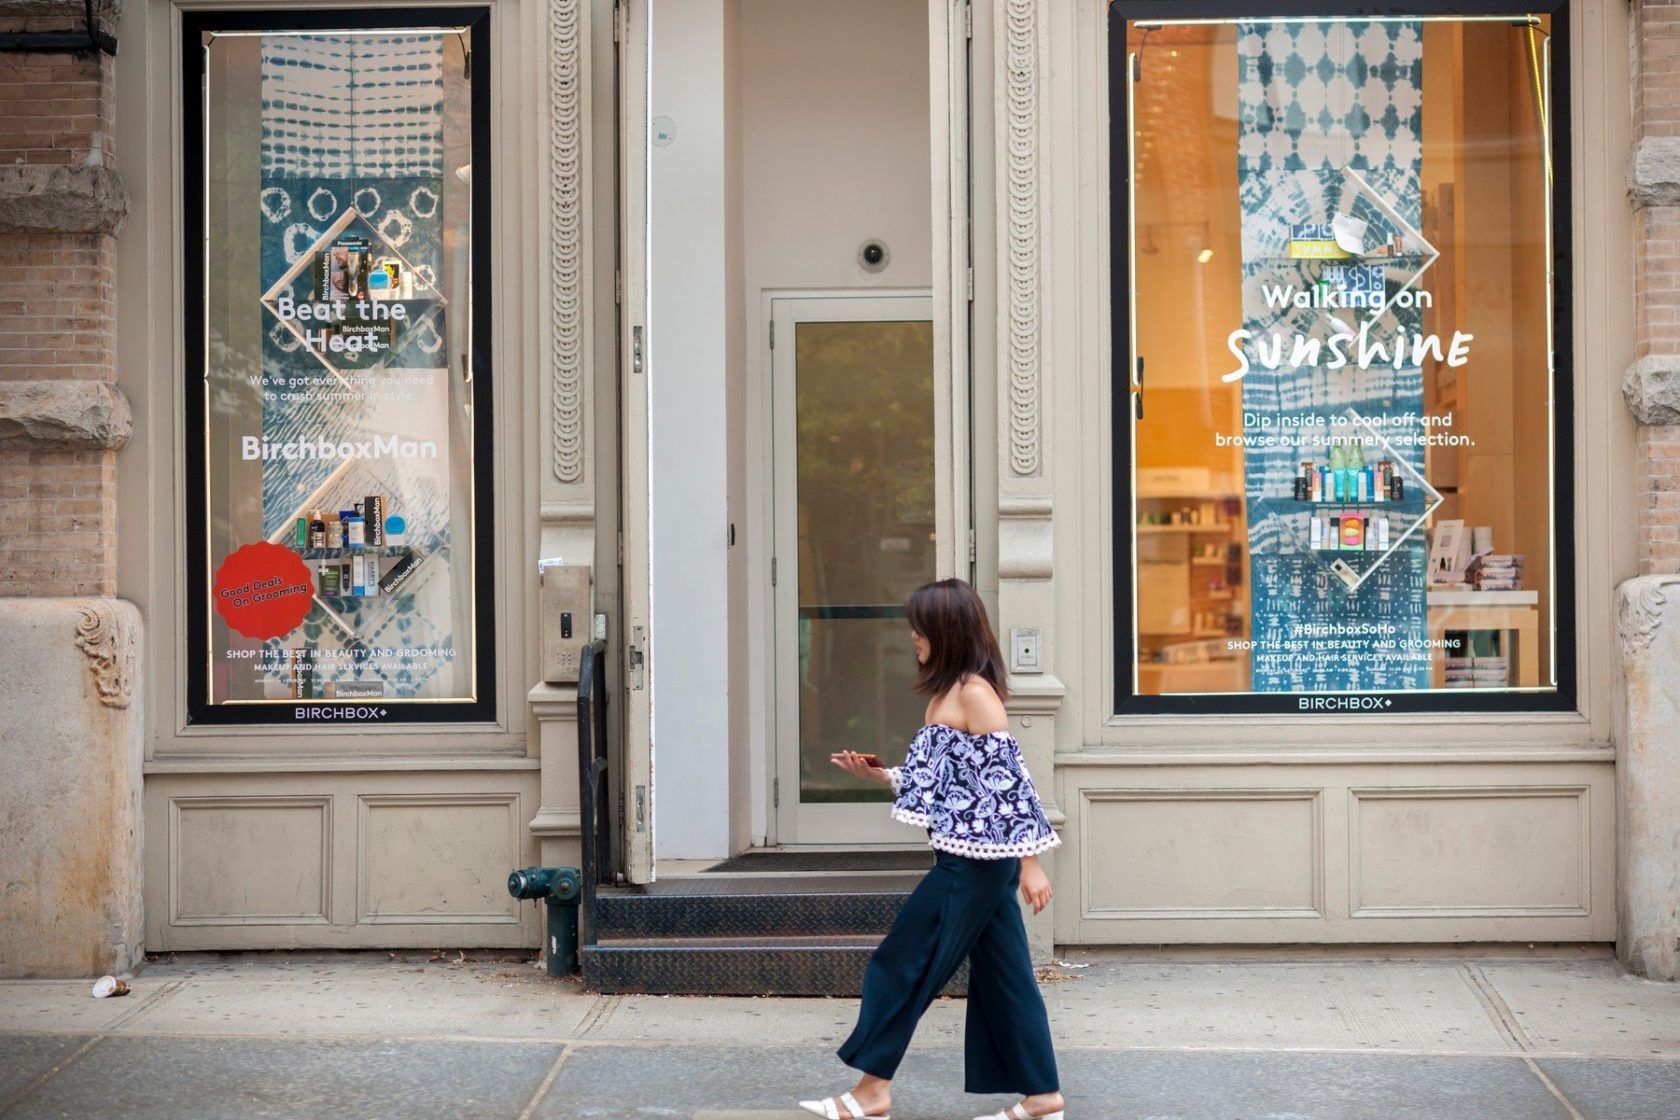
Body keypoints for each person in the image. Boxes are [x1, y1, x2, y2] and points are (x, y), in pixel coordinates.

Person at [798, 577, 1066, 1120]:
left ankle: (872, 1093)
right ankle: (1043, 1098)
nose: (913, 637)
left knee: (902, 963)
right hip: (969, 861)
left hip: (974, 867)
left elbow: (1010, 782)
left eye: (920, 627)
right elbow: (944, 783)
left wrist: (1030, 864)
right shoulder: (948, 692)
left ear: (945, 629)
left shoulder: (975, 692)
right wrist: (876, 776)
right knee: (1007, 977)